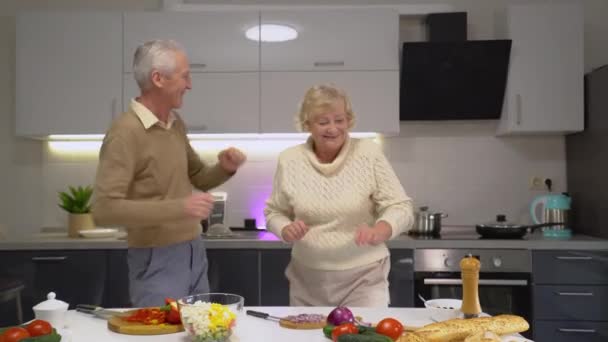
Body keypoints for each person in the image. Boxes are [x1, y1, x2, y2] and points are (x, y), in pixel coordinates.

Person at [92, 40, 246, 307]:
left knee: (200, 330)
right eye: (184, 76)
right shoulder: (125, 132)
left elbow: (198, 175)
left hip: (193, 249)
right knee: (162, 334)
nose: (190, 85)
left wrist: (225, 168)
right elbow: (104, 209)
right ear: (158, 79)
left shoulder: (174, 125)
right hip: (155, 256)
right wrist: (179, 208)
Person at [264, 84, 414, 307]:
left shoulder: (368, 153)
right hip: (307, 281)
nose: (333, 129)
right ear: (308, 125)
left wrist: (380, 230)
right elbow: (274, 212)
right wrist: (285, 228)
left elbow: (401, 207)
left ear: (349, 120)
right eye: (323, 122)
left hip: (364, 279)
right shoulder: (290, 159)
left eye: (339, 120)